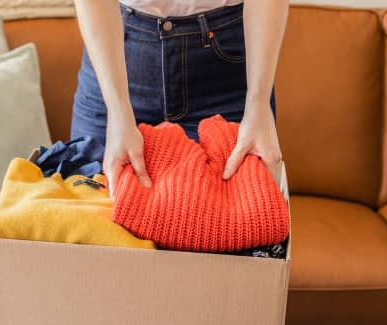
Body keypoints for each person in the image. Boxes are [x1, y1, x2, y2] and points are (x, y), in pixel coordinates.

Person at [72, 0, 288, 191]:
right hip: (114, 63)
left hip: (226, 72)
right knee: (92, 223)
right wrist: (118, 111)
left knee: (234, 226)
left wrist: (258, 103)